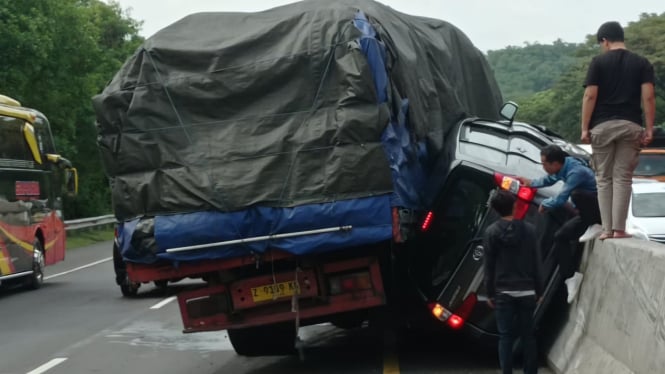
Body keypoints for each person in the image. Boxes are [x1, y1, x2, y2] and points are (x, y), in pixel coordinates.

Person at [580, 21, 656, 239]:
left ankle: (606, 229)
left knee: (604, 178)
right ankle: (619, 230)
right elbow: (648, 97)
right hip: (630, 125)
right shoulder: (641, 63)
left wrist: (585, 128)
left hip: (602, 126)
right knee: (623, 177)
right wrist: (649, 129)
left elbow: (590, 95)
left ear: (604, 40)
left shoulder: (598, 62)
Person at [517, 145, 601, 303]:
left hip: (598, 210)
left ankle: (596, 224)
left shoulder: (576, 172)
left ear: (555, 164)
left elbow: (562, 197)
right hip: (585, 214)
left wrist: (545, 204)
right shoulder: (564, 166)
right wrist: (530, 183)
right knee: (560, 237)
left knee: (576, 195)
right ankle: (571, 277)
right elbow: (549, 179)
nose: (543, 167)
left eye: (544, 164)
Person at [484, 189, 544, 374]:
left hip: (503, 292)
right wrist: (539, 291)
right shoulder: (530, 230)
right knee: (528, 336)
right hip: (527, 291)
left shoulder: (491, 232)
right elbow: (536, 263)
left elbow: (489, 266)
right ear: (514, 206)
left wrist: (490, 293)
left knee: (506, 337)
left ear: (495, 210)